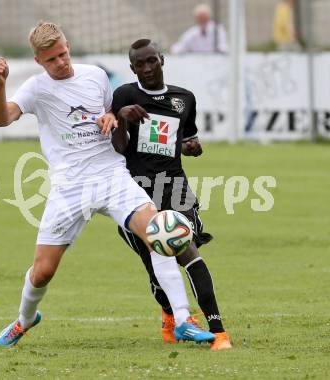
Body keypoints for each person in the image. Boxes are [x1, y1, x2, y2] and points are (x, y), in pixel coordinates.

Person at [0, 22, 215, 347]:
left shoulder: (94, 75)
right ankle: (25, 319)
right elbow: (2, 118)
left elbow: (112, 114)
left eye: (64, 53)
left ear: (68, 46)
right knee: (42, 272)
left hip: (111, 176)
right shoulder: (35, 89)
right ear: (40, 61)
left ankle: (183, 319)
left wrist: (112, 118)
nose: (62, 62)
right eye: (53, 59)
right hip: (70, 187)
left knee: (158, 232)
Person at [111, 38, 232, 350]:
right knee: (156, 270)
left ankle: (218, 332)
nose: (147, 68)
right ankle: (169, 316)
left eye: (152, 61)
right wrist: (121, 118)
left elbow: (186, 141)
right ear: (132, 67)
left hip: (176, 189)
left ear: (162, 59)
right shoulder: (124, 95)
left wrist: (193, 148)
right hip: (135, 194)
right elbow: (118, 148)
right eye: (140, 64)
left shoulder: (184, 99)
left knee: (187, 250)